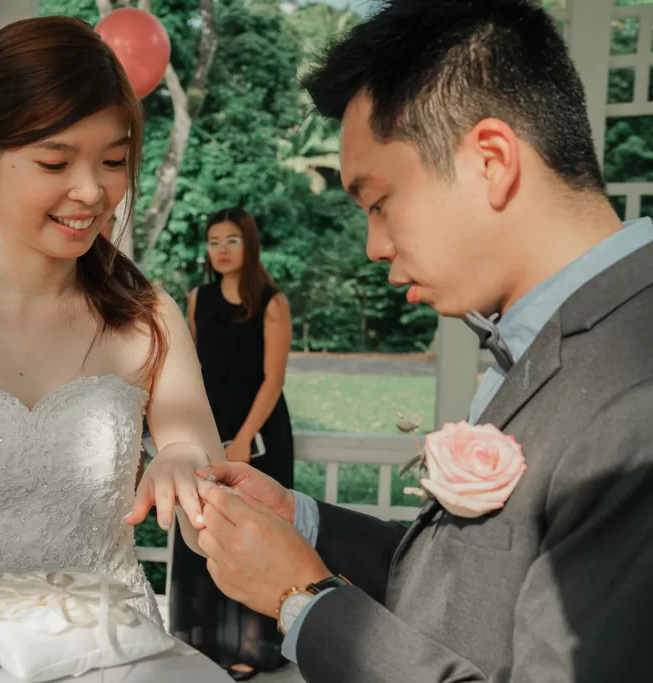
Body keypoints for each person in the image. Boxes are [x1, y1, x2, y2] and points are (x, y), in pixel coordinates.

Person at [193, 0, 653, 681]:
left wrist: (303, 601)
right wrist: (302, 520)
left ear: (491, 161)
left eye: (378, 202)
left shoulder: (632, 390)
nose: (375, 246)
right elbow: (475, 586)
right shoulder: (549, 335)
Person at [0, 16, 224, 622]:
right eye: (55, 164)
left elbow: (198, 453)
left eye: (112, 161)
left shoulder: (147, 316)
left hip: (116, 645)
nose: (91, 192)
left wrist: (184, 457)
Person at [170, 207, 293, 680]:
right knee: (203, 530)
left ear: (249, 245)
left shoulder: (271, 301)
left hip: (257, 434)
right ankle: (203, 643)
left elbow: (273, 379)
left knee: (254, 534)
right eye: (213, 241)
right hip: (208, 427)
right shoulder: (198, 298)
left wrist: (243, 439)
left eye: (231, 241)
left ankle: (253, 646)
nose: (221, 250)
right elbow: (193, 369)